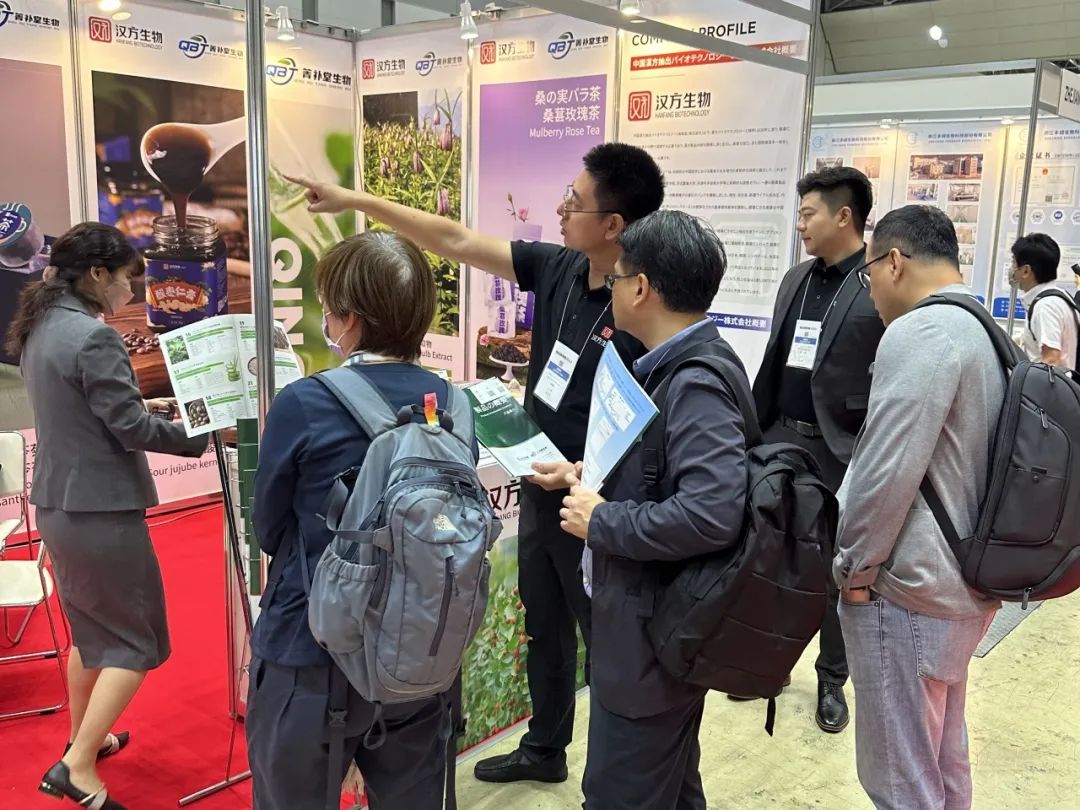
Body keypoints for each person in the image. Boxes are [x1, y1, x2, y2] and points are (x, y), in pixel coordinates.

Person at [288, 142, 665, 785]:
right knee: (543, 625)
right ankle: (545, 749)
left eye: (574, 202)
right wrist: (354, 200)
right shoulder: (558, 267)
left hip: (597, 499)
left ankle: (613, 780)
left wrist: (586, 472)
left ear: (613, 224)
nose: (561, 209)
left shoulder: (642, 302)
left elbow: (650, 418)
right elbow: (455, 239)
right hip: (537, 482)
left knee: (607, 640)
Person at [246, 232, 472, 809]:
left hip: (311, 650)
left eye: (328, 307)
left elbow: (268, 529)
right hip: (419, 649)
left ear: (348, 318)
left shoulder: (305, 402)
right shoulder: (454, 406)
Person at [536, 210, 748, 809]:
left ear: (641, 288)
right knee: (673, 786)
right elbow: (665, 473)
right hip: (649, 630)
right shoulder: (671, 364)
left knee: (620, 792)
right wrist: (587, 476)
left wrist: (602, 520)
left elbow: (711, 513)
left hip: (650, 639)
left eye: (617, 276)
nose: (610, 288)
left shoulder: (695, 381)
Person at [4, 222, 207, 810]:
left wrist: (145, 407)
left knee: (92, 637)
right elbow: (130, 428)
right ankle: (76, 768)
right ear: (97, 274)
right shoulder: (94, 338)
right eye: (125, 278)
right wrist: (200, 434)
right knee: (134, 643)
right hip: (100, 510)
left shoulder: (42, 324)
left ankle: (82, 741)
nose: (131, 291)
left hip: (61, 505)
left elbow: (90, 409)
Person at [835, 205, 1000, 810]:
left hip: (910, 590)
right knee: (943, 759)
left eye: (869, 273)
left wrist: (853, 571)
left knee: (900, 779)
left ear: (894, 262)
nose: (871, 290)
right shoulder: (983, 328)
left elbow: (884, 471)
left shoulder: (921, 333)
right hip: (965, 581)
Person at [747, 166, 883, 733]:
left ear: (844, 216)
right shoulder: (796, 277)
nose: (800, 224)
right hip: (779, 438)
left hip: (837, 449)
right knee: (767, 557)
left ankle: (832, 679)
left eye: (808, 214)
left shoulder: (877, 282)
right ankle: (767, 664)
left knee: (832, 570)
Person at [1009, 233, 1078, 369]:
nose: (1011, 269)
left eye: (1014, 263)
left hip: (1049, 383)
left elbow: (1051, 360)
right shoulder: (1060, 297)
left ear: (1026, 271)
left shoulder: (1045, 306)